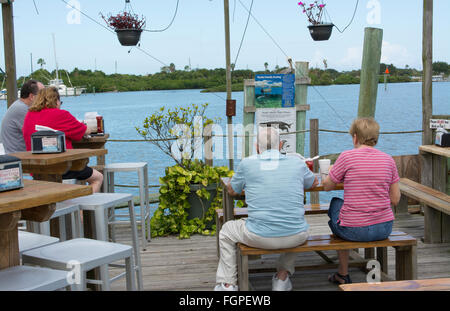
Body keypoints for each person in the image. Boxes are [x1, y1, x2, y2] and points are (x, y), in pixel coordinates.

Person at [214, 126, 318, 291]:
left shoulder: (247, 163)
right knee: (298, 226)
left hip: (258, 235)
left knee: (227, 230)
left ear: (256, 147)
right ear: (280, 145)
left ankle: (228, 284)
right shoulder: (297, 163)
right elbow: (313, 183)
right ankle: (281, 279)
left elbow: (232, 190)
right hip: (295, 235)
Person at [323, 117, 401, 285]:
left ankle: (343, 274)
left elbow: (327, 186)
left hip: (353, 230)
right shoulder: (389, 160)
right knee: (345, 210)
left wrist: (332, 171)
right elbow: (395, 199)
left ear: (355, 137)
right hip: (384, 227)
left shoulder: (346, 157)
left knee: (336, 204)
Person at [22, 87, 103, 192]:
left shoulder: (29, 115)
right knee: (97, 178)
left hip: (38, 168)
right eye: (60, 101)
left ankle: (75, 206)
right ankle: (84, 208)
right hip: (62, 166)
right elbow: (85, 131)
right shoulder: (60, 114)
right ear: (56, 101)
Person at [0, 80, 45, 154]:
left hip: (18, 154)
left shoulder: (19, 106)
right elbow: (39, 134)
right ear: (32, 97)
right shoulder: (22, 109)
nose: (45, 99)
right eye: (42, 95)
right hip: (19, 157)